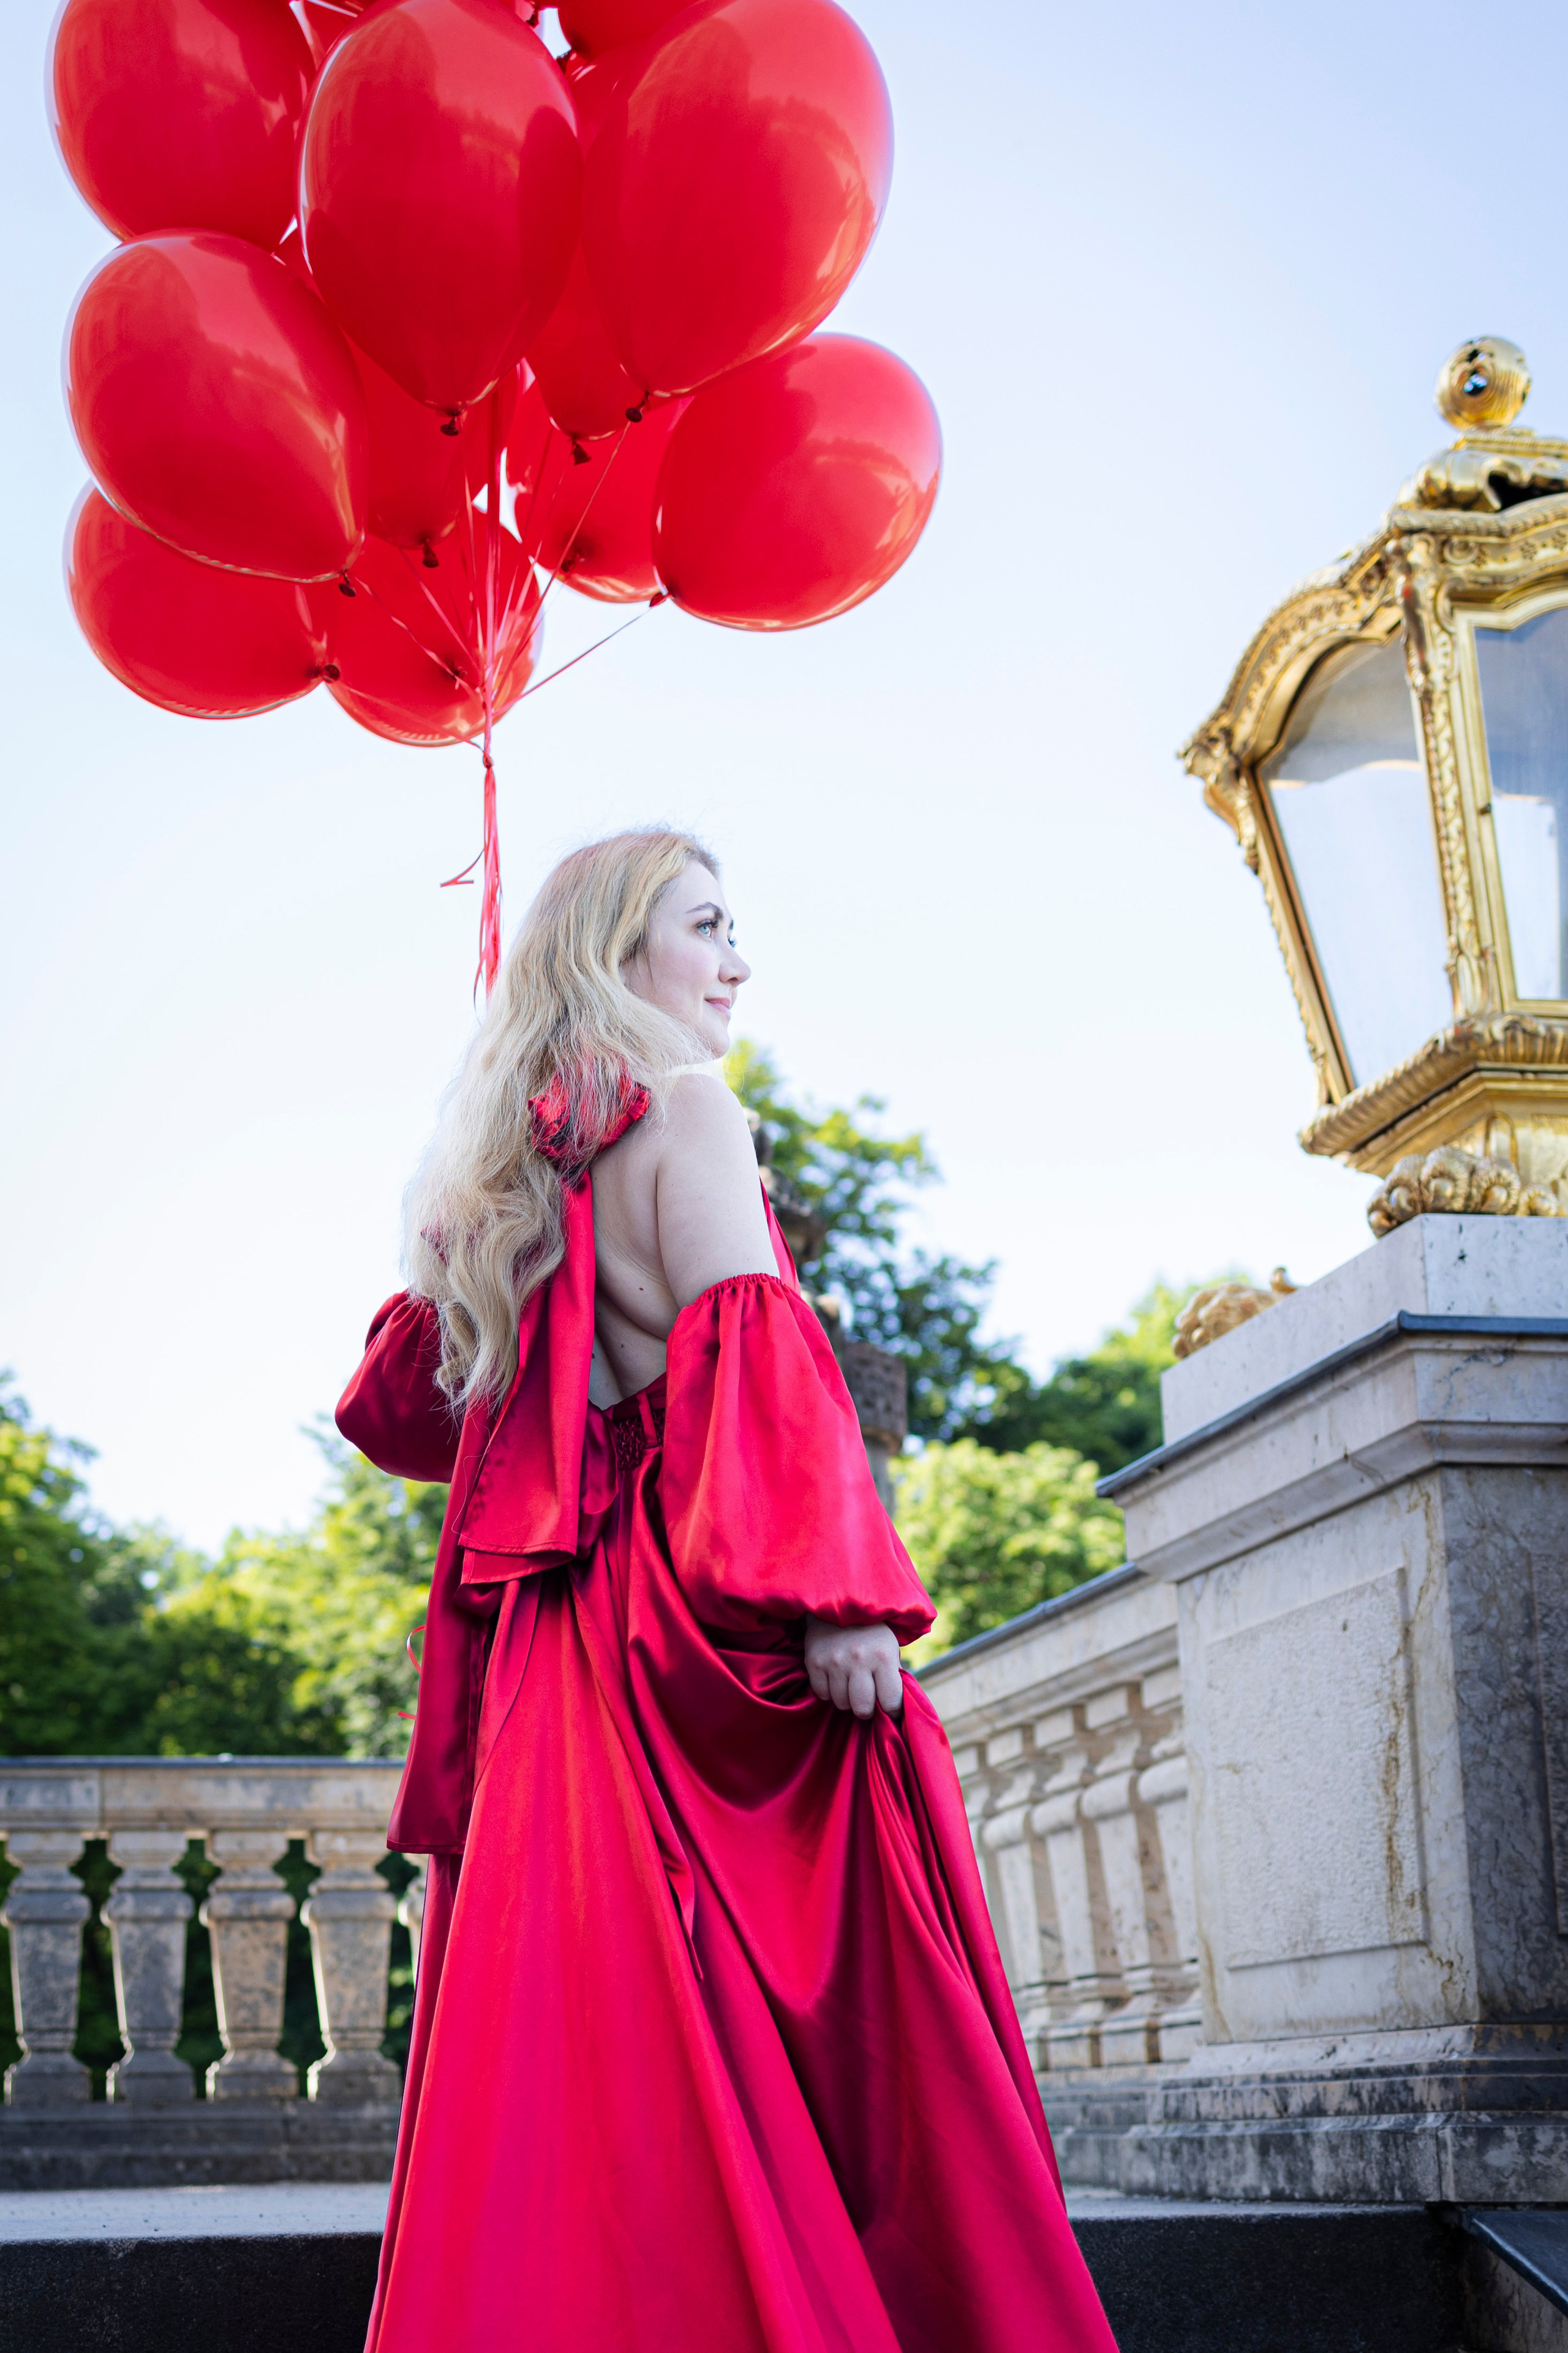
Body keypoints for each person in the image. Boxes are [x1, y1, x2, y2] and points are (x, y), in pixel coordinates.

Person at [338, 829, 1118, 2353]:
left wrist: (461, 1233)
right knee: (853, 1995)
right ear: (614, 952)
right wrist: (835, 1594)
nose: (738, 963)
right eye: (706, 926)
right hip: (684, 1606)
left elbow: (396, 1416)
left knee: (597, 2017)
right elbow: (743, 1339)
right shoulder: (687, 1107)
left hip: (555, 1641)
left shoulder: (520, 1166)